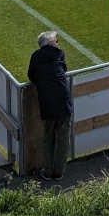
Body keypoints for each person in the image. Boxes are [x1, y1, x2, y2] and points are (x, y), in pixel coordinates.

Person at [27, 31, 72, 181]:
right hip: (63, 101)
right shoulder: (59, 53)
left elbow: (31, 75)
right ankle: (58, 172)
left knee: (48, 137)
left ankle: (48, 171)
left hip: (46, 101)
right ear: (50, 43)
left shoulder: (35, 56)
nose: (58, 43)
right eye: (56, 41)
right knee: (63, 138)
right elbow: (63, 68)